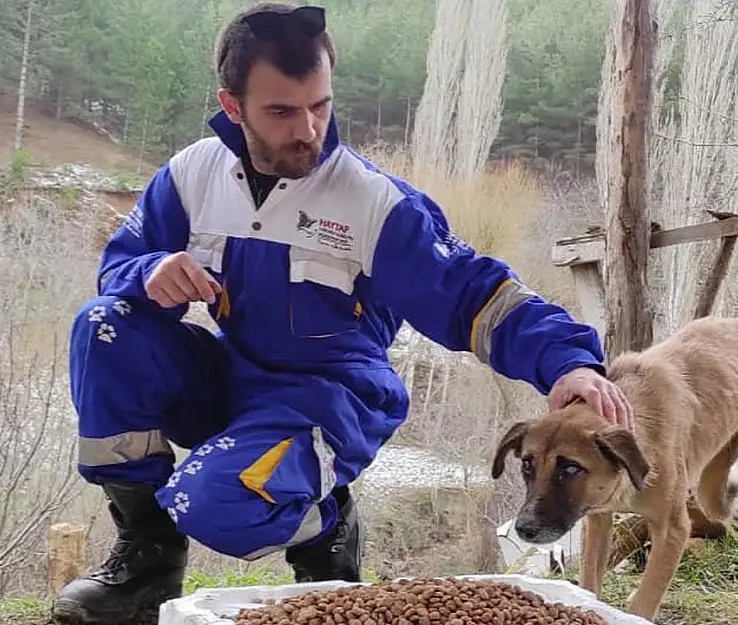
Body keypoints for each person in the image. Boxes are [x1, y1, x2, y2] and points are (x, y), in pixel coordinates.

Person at [50, 2, 633, 624]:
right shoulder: (192, 175)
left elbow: (475, 296)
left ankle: (325, 527)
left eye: (320, 106)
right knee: (104, 325)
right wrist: (150, 271)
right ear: (232, 106)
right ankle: (147, 562)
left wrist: (568, 363)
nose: (308, 129)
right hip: (229, 375)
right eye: (281, 112)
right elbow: (122, 263)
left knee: (214, 505)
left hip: (328, 395)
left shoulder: (374, 205)